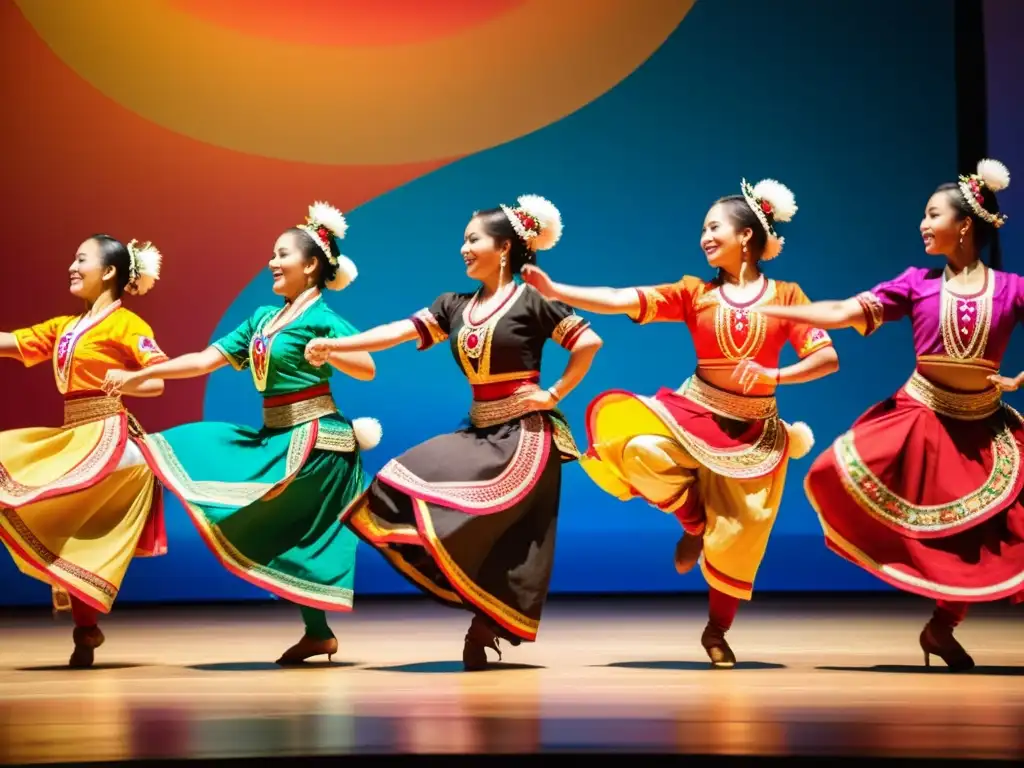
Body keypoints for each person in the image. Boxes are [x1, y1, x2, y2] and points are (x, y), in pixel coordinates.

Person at [521, 178, 839, 667]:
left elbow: (826, 358)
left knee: (741, 533)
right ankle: (693, 521)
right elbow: (621, 297)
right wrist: (557, 289)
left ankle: (716, 630)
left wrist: (776, 373)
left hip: (755, 430)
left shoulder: (787, 296)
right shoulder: (695, 293)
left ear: (747, 236)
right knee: (637, 450)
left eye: (714, 227)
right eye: (703, 229)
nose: (704, 238)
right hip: (695, 413)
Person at [304, 195, 603, 671]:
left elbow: (589, 341)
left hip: (525, 437)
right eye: (463, 241)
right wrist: (336, 344)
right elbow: (397, 331)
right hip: (482, 431)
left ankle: (482, 629)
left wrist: (554, 394)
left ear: (504, 247)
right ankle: (478, 617)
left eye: (473, 239)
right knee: (402, 480)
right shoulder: (455, 305)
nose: (463, 249)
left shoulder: (533, 299)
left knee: (510, 542)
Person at [755, 159, 1021, 672]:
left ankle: (941, 630)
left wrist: (1018, 378)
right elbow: (840, 312)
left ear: (964, 224)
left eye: (932, 214)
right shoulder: (917, 283)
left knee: (987, 534)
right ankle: (937, 620)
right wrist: (778, 312)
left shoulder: (1012, 289)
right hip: (922, 418)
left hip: (985, 427)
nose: (922, 224)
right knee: (830, 470)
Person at [103, 202, 381, 664]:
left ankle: (320, 631)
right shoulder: (261, 319)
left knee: (292, 534)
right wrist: (136, 378)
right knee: (268, 519)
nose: (271, 262)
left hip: (318, 444)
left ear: (311, 265)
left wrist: (329, 349)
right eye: (271, 254)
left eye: (282, 254)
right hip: (278, 436)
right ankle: (319, 634)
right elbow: (203, 360)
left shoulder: (322, 318)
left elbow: (367, 367)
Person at [0, 235, 167, 667]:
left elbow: (158, 379)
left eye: (80, 259)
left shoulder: (128, 326)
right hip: (74, 434)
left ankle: (85, 625)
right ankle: (86, 628)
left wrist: (125, 379)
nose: (71, 267)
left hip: (110, 439)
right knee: (67, 535)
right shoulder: (64, 327)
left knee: (75, 530)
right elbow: (11, 344)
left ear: (109, 272)